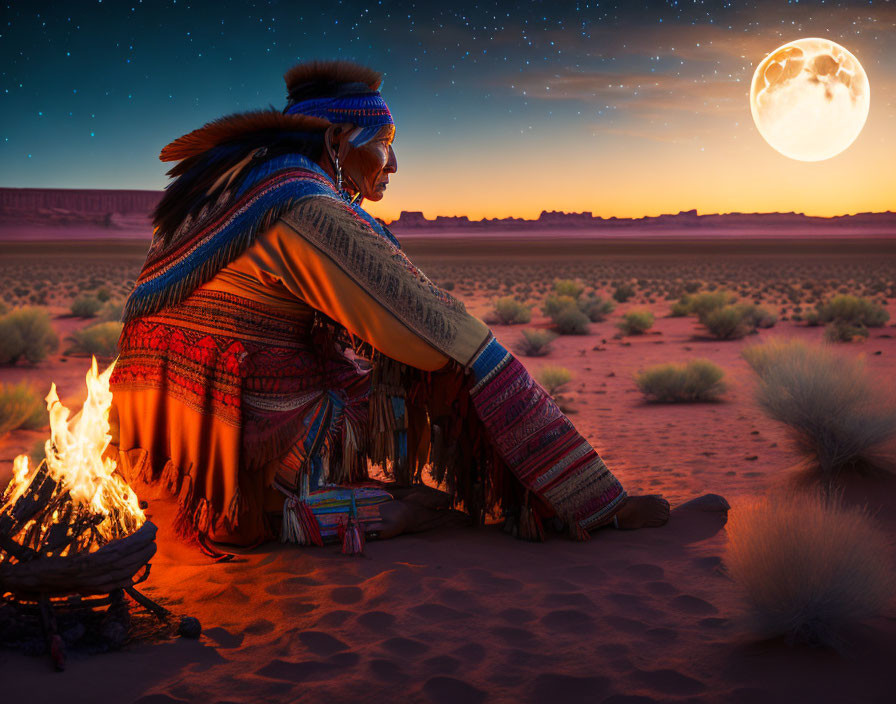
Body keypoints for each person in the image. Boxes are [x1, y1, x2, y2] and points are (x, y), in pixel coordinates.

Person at [109, 60, 669, 552]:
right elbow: (424, 327)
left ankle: (261, 493)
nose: (394, 162)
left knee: (360, 368)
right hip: (236, 432)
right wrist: (471, 348)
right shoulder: (300, 200)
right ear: (336, 140)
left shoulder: (233, 185)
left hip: (161, 437)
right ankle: (585, 501)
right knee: (449, 361)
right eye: (383, 139)